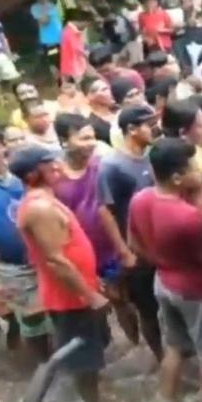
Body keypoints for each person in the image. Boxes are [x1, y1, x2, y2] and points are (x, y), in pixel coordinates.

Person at [128, 138, 202, 401]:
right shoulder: (187, 216)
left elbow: (134, 244)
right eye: (194, 168)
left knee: (175, 348)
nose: (200, 172)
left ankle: (166, 401)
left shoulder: (140, 199)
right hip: (199, 290)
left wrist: (164, 262)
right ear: (177, 178)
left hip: (164, 281)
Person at [12, 145, 109, 402]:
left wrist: (91, 281)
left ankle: (92, 400)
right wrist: (89, 295)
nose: (57, 165)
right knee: (84, 360)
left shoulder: (47, 200)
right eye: (48, 163)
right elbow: (55, 260)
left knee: (93, 348)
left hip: (77, 291)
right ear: (32, 175)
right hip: (70, 298)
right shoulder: (39, 208)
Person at [53, 113, 139, 346]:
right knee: (97, 308)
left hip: (113, 246)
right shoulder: (54, 176)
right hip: (82, 254)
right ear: (64, 141)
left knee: (124, 301)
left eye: (92, 137)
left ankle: (136, 345)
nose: (91, 143)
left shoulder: (104, 165)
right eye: (83, 138)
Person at [0, 127, 51, 362]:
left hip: (45, 255)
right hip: (9, 266)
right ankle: (44, 364)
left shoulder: (26, 175)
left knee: (58, 310)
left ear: (4, 147)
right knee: (33, 317)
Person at [97, 105, 162, 360]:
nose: (155, 129)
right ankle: (159, 356)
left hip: (160, 243)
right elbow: (106, 211)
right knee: (147, 309)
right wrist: (124, 252)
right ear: (132, 130)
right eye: (149, 125)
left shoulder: (153, 156)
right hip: (136, 249)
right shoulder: (112, 165)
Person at [30, 0, 63, 76]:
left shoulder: (53, 5)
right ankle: (59, 80)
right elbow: (45, 21)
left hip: (61, 38)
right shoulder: (35, 8)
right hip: (49, 41)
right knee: (54, 61)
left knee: (65, 60)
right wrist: (45, 6)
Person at [83, 77, 116, 145]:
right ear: (90, 96)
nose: (109, 92)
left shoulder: (118, 111)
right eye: (104, 90)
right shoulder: (93, 125)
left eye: (108, 89)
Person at [59, 9, 89, 82]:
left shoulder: (68, 30)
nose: (86, 26)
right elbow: (78, 49)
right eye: (86, 23)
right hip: (74, 68)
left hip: (73, 67)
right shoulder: (70, 32)